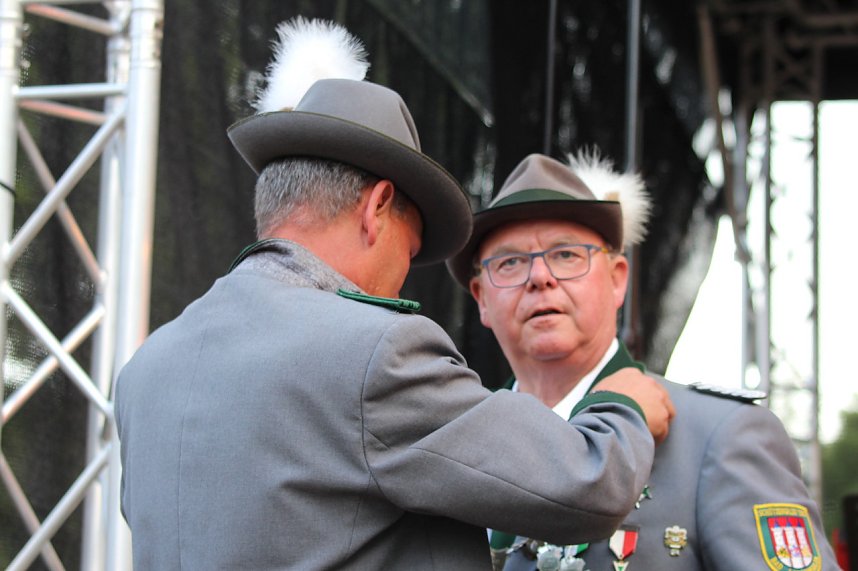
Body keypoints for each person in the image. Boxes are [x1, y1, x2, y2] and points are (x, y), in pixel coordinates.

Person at [113, 18, 676, 570]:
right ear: (377, 207)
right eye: (408, 251)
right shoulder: (373, 352)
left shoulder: (147, 368)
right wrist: (623, 404)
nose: (403, 278)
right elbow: (588, 486)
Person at [446, 151, 840, 570]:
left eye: (566, 255)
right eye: (510, 262)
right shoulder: (457, 445)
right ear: (482, 299)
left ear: (617, 280)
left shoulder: (718, 435)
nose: (540, 277)